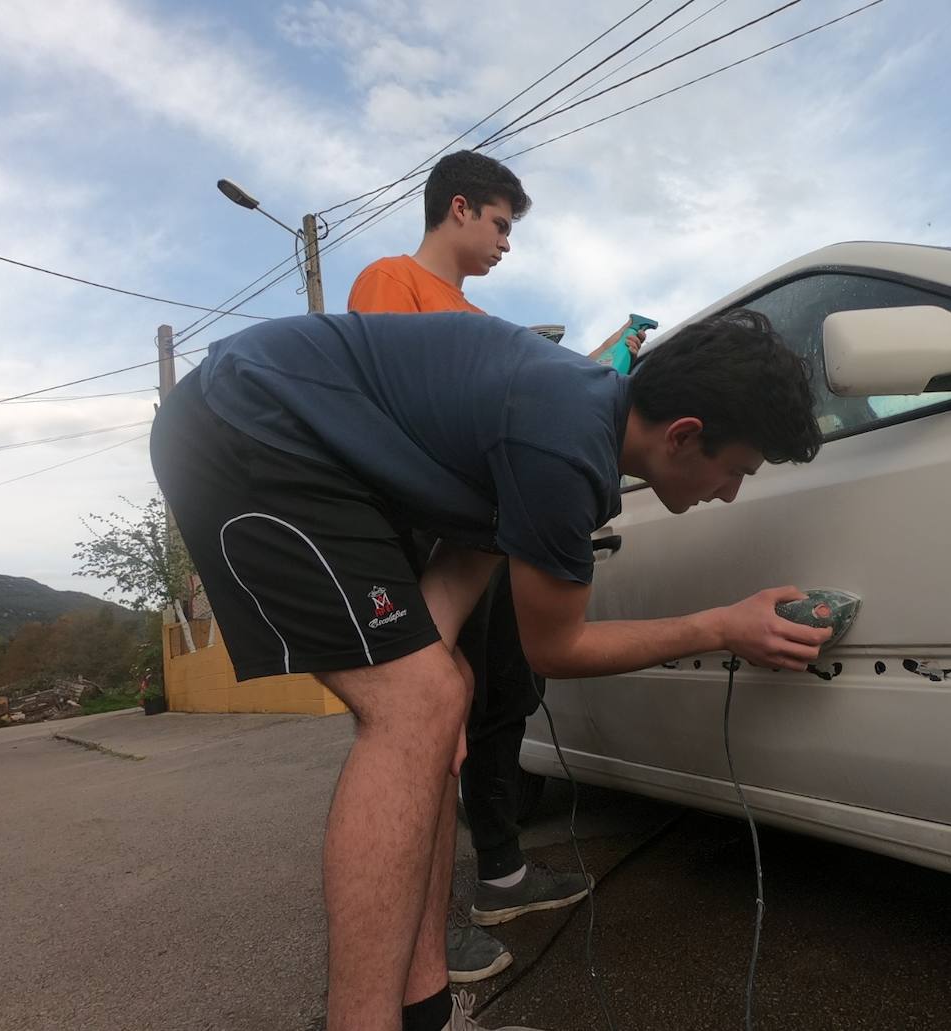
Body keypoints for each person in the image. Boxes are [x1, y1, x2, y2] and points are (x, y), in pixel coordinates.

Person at [150, 307, 831, 1031]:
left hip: (293, 437)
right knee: (417, 703)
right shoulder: (565, 440)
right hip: (246, 425)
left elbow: (469, 551)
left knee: (440, 696)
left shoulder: (574, 414)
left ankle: (428, 1012)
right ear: (685, 433)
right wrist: (720, 625)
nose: (728, 493)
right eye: (736, 472)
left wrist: (432, 694)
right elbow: (556, 649)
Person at [347, 150, 644, 985]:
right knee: (426, 713)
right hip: (425, 533)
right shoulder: (390, 279)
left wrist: (599, 360)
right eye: (502, 225)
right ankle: (419, 931)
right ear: (460, 208)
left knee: (502, 696)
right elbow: (395, 395)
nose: (508, 243)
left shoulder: (481, 319)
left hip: (487, 526)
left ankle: (502, 876)